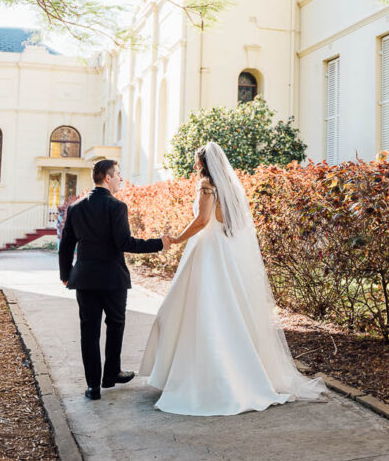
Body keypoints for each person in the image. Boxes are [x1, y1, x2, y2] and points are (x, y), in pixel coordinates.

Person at [139, 142, 326, 415]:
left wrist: (177, 239)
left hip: (206, 250)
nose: (195, 166)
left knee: (195, 311)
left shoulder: (206, 185)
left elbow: (203, 221)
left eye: (196, 161)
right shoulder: (229, 187)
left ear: (204, 164)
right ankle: (236, 373)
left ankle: (195, 378)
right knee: (226, 310)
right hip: (223, 251)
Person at [59, 159, 168, 401]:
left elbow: (66, 245)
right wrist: (159, 243)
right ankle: (111, 374)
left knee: (89, 331)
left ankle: (93, 387)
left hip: (85, 279)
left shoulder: (75, 208)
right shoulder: (117, 206)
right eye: (118, 174)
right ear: (107, 178)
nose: (121, 179)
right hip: (113, 279)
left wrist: (66, 275)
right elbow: (125, 243)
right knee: (115, 325)